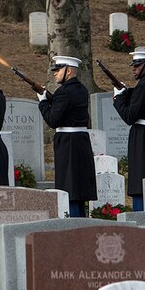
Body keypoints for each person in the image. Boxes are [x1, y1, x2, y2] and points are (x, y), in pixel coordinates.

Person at [37, 56, 96, 217]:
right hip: (81, 142)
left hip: (68, 145)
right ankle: (81, 221)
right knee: (79, 189)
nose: (55, 73)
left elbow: (53, 120)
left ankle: (73, 224)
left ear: (68, 71)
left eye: (58, 70)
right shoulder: (82, 89)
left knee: (69, 188)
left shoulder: (63, 92)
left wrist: (43, 102)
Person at [112, 47, 145, 211]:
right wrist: (127, 92)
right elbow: (140, 98)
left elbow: (129, 116)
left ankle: (140, 215)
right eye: (134, 65)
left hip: (141, 137)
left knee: (139, 182)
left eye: (138, 65)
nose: (133, 68)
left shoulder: (143, 87)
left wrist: (118, 99)